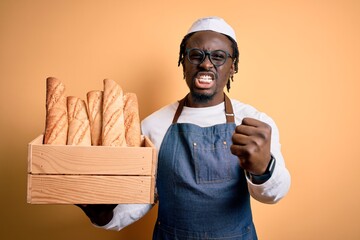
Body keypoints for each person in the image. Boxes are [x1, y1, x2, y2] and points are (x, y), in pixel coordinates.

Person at [78, 16, 291, 239]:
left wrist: (264, 169)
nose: (206, 64)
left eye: (218, 57)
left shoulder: (253, 123)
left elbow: (273, 194)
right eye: (196, 55)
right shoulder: (153, 125)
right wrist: (103, 215)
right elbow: (142, 198)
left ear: (233, 67)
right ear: (183, 61)